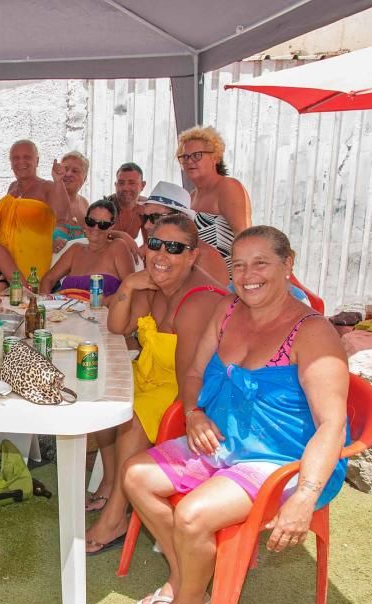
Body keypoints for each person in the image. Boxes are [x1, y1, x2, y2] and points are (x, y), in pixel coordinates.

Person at [120, 226, 348, 604]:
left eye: (261, 263)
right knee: (137, 476)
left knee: (191, 515)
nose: (247, 276)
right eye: (238, 265)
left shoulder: (312, 332)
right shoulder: (227, 309)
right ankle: (188, 575)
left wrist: (306, 496)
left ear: (288, 264)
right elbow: (192, 373)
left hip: (282, 459)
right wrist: (193, 413)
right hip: (221, 440)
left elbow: (332, 424)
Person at [83, 213, 226, 554]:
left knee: (132, 418)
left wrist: (188, 414)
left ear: (193, 256)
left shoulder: (197, 300)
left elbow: (190, 376)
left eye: (175, 248)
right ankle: (110, 483)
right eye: (156, 245)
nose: (162, 255)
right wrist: (129, 286)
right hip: (153, 377)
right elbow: (118, 326)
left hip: (192, 392)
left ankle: (116, 514)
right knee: (101, 397)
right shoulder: (155, 283)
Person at [0, 139, 70, 279]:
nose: (21, 162)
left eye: (27, 157)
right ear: (11, 163)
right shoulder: (12, 187)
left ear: (37, 161)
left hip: (32, 262)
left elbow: (62, 215)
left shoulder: (47, 187)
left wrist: (58, 182)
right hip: (4, 265)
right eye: (16, 158)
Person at [176, 125, 252, 269]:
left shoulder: (227, 187)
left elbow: (244, 236)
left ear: (215, 157)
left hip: (225, 280)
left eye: (197, 155)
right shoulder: (191, 196)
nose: (190, 161)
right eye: (185, 156)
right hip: (199, 279)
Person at [138, 181, 229, 285]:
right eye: (145, 217)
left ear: (181, 217)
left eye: (155, 217)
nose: (146, 225)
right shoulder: (162, 249)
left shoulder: (203, 257)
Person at [40, 199, 134, 299]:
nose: (96, 228)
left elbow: (132, 289)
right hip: (65, 312)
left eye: (103, 224)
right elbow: (48, 279)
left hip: (102, 313)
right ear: (85, 221)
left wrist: (105, 303)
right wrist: (45, 303)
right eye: (91, 222)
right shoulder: (75, 249)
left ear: (111, 226)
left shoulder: (117, 246)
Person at [52, 151, 91, 254]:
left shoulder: (85, 204)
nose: (68, 174)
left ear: (85, 178)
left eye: (75, 171)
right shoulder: (47, 198)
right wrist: (48, 243)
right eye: (65, 169)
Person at [107, 163, 146, 240]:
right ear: (116, 185)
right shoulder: (105, 206)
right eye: (121, 183)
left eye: (131, 183)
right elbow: (95, 234)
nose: (125, 188)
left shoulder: (146, 208)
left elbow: (148, 244)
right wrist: (121, 235)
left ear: (142, 185)